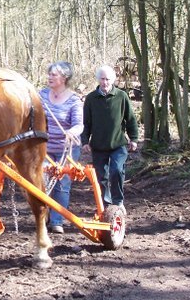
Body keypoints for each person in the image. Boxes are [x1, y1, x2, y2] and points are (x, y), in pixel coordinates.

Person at [81, 65, 139, 212]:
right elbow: (86, 123)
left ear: (112, 80)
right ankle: (106, 205)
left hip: (118, 144)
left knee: (117, 170)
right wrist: (85, 141)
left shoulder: (121, 96)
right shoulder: (91, 98)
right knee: (101, 178)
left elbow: (130, 119)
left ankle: (118, 201)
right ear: (98, 79)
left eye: (107, 79)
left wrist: (133, 139)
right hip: (99, 145)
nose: (105, 82)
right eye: (102, 79)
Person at [39, 62, 84, 234]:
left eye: (54, 75)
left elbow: (79, 125)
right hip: (45, 147)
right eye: (49, 74)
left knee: (62, 185)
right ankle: (42, 217)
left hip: (68, 149)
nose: (50, 77)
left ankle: (57, 220)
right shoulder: (41, 95)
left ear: (64, 78)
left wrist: (72, 132)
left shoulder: (74, 100)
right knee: (41, 183)